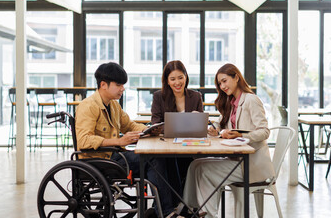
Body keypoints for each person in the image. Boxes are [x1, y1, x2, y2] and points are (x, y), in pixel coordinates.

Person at [75, 62, 176, 217]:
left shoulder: (114, 106)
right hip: (98, 160)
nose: (122, 88)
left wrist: (149, 129)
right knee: (154, 159)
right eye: (118, 85)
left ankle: (164, 209)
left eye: (123, 85)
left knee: (163, 157)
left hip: (114, 156)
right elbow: (83, 140)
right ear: (103, 85)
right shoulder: (88, 106)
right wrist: (119, 142)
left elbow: (129, 125)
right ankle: (166, 211)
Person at [182, 63, 275, 218]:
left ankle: (207, 214)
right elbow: (221, 122)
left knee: (204, 170)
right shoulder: (231, 102)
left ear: (236, 77)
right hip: (236, 159)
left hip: (251, 164)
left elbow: (265, 131)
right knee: (195, 165)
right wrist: (214, 129)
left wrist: (241, 136)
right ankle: (191, 210)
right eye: (220, 83)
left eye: (224, 81)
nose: (222, 86)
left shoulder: (251, 100)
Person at [151, 60, 203, 208]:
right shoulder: (159, 97)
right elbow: (155, 123)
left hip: (189, 147)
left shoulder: (196, 96)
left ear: (186, 76)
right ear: (167, 81)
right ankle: (176, 206)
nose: (177, 82)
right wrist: (181, 123)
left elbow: (201, 125)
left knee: (190, 165)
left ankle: (186, 205)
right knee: (167, 164)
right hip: (167, 147)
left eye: (180, 77)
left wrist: (196, 119)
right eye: (172, 79)